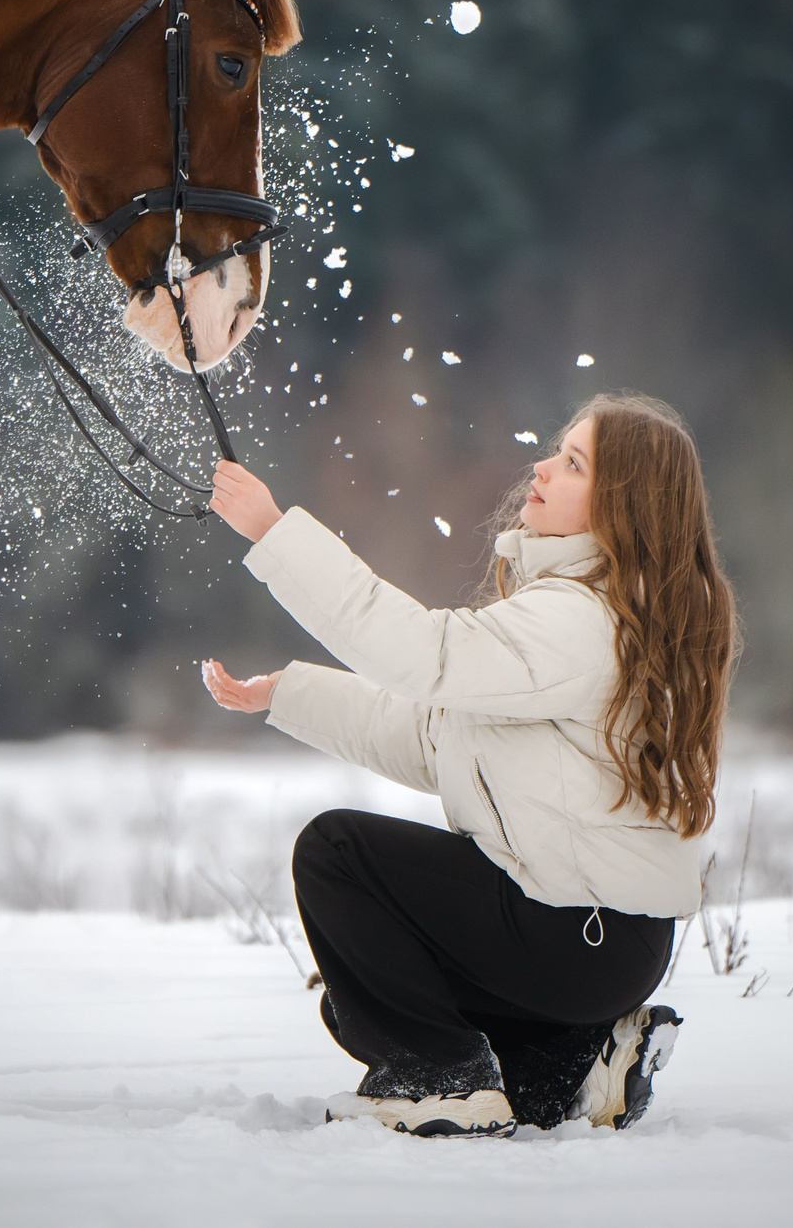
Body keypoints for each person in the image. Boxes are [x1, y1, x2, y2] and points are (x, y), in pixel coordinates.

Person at [200, 392, 739, 1139]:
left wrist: (272, 533)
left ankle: (444, 1080)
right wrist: (286, 695)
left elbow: (424, 656)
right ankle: (575, 1062)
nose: (544, 468)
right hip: (604, 945)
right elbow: (434, 738)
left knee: (338, 855)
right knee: (359, 997)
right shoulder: (611, 612)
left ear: (620, 504)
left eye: (574, 463)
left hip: (575, 935)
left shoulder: (578, 619)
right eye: (559, 450)